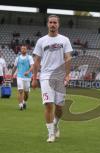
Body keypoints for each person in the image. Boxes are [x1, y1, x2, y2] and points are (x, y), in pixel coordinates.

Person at [32, 15, 72, 143]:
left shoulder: (65, 40)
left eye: (55, 22)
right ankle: (50, 134)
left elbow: (68, 57)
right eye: (51, 22)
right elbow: (37, 61)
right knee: (48, 105)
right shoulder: (41, 41)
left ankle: (55, 124)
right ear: (47, 24)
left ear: (58, 25)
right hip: (45, 76)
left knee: (59, 107)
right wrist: (34, 78)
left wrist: (67, 74)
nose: (53, 24)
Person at [12, 45, 34, 110]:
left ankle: (24, 102)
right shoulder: (17, 58)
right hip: (19, 77)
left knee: (26, 93)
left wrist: (28, 71)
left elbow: (32, 66)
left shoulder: (29, 57)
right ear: (20, 50)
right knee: (20, 90)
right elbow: (15, 67)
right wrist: (11, 75)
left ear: (26, 50)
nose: (23, 50)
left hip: (27, 77)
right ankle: (20, 105)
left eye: (24, 49)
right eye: (22, 49)